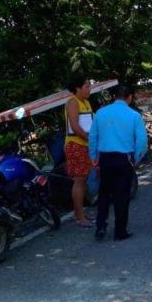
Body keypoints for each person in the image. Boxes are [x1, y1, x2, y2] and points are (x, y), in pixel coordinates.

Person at [89, 86, 147, 241]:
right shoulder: (134, 115)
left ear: (115, 97)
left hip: (105, 159)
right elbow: (142, 140)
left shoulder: (101, 113)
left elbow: (93, 137)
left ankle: (100, 227)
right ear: (129, 97)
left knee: (104, 194)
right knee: (122, 195)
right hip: (124, 159)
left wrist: (94, 157)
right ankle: (120, 231)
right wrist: (136, 158)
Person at [64, 75, 94, 228]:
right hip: (76, 145)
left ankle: (79, 213)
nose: (89, 89)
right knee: (79, 180)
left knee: (83, 179)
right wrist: (90, 140)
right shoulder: (72, 103)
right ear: (78, 88)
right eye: (87, 86)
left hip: (85, 144)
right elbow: (75, 127)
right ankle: (80, 216)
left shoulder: (86, 102)